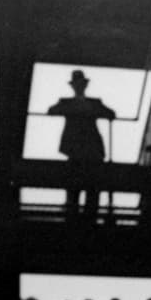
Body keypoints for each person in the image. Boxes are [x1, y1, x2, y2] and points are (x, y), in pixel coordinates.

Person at [48, 69, 116, 220]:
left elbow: (111, 113)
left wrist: (80, 109)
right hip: (85, 149)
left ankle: (81, 217)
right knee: (79, 186)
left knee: (85, 186)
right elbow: (51, 111)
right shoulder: (76, 103)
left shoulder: (89, 103)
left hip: (83, 149)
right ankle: (78, 217)